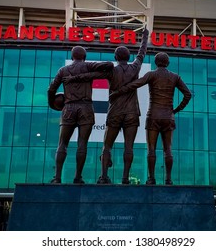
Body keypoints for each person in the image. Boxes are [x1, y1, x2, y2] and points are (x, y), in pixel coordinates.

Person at [63, 27, 149, 184]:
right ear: (128, 57)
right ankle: (125, 178)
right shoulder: (135, 67)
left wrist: (75, 78)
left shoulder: (111, 72)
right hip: (131, 112)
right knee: (129, 147)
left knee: (107, 146)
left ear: (115, 57)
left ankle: (103, 176)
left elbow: (92, 75)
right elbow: (142, 53)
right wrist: (145, 36)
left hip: (115, 111)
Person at [110, 52, 191, 185]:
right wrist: (176, 110)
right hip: (168, 116)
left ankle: (151, 178)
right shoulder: (175, 77)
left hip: (153, 115)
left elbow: (135, 84)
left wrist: (118, 92)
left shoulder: (151, 75)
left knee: (151, 149)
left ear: (155, 62)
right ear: (168, 63)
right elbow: (187, 94)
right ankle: (168, 179)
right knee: (168, 149)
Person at [48, 46, 114, 184]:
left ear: (72, 57)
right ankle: (78, 177)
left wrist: (52, 104)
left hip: (69, 107)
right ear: (84, 56)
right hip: (85, 107)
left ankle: (57, 177)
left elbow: (51, 89)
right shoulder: (88, 65)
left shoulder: (63, 70)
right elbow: (109, 65)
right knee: (82, 144)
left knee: (62, 144)